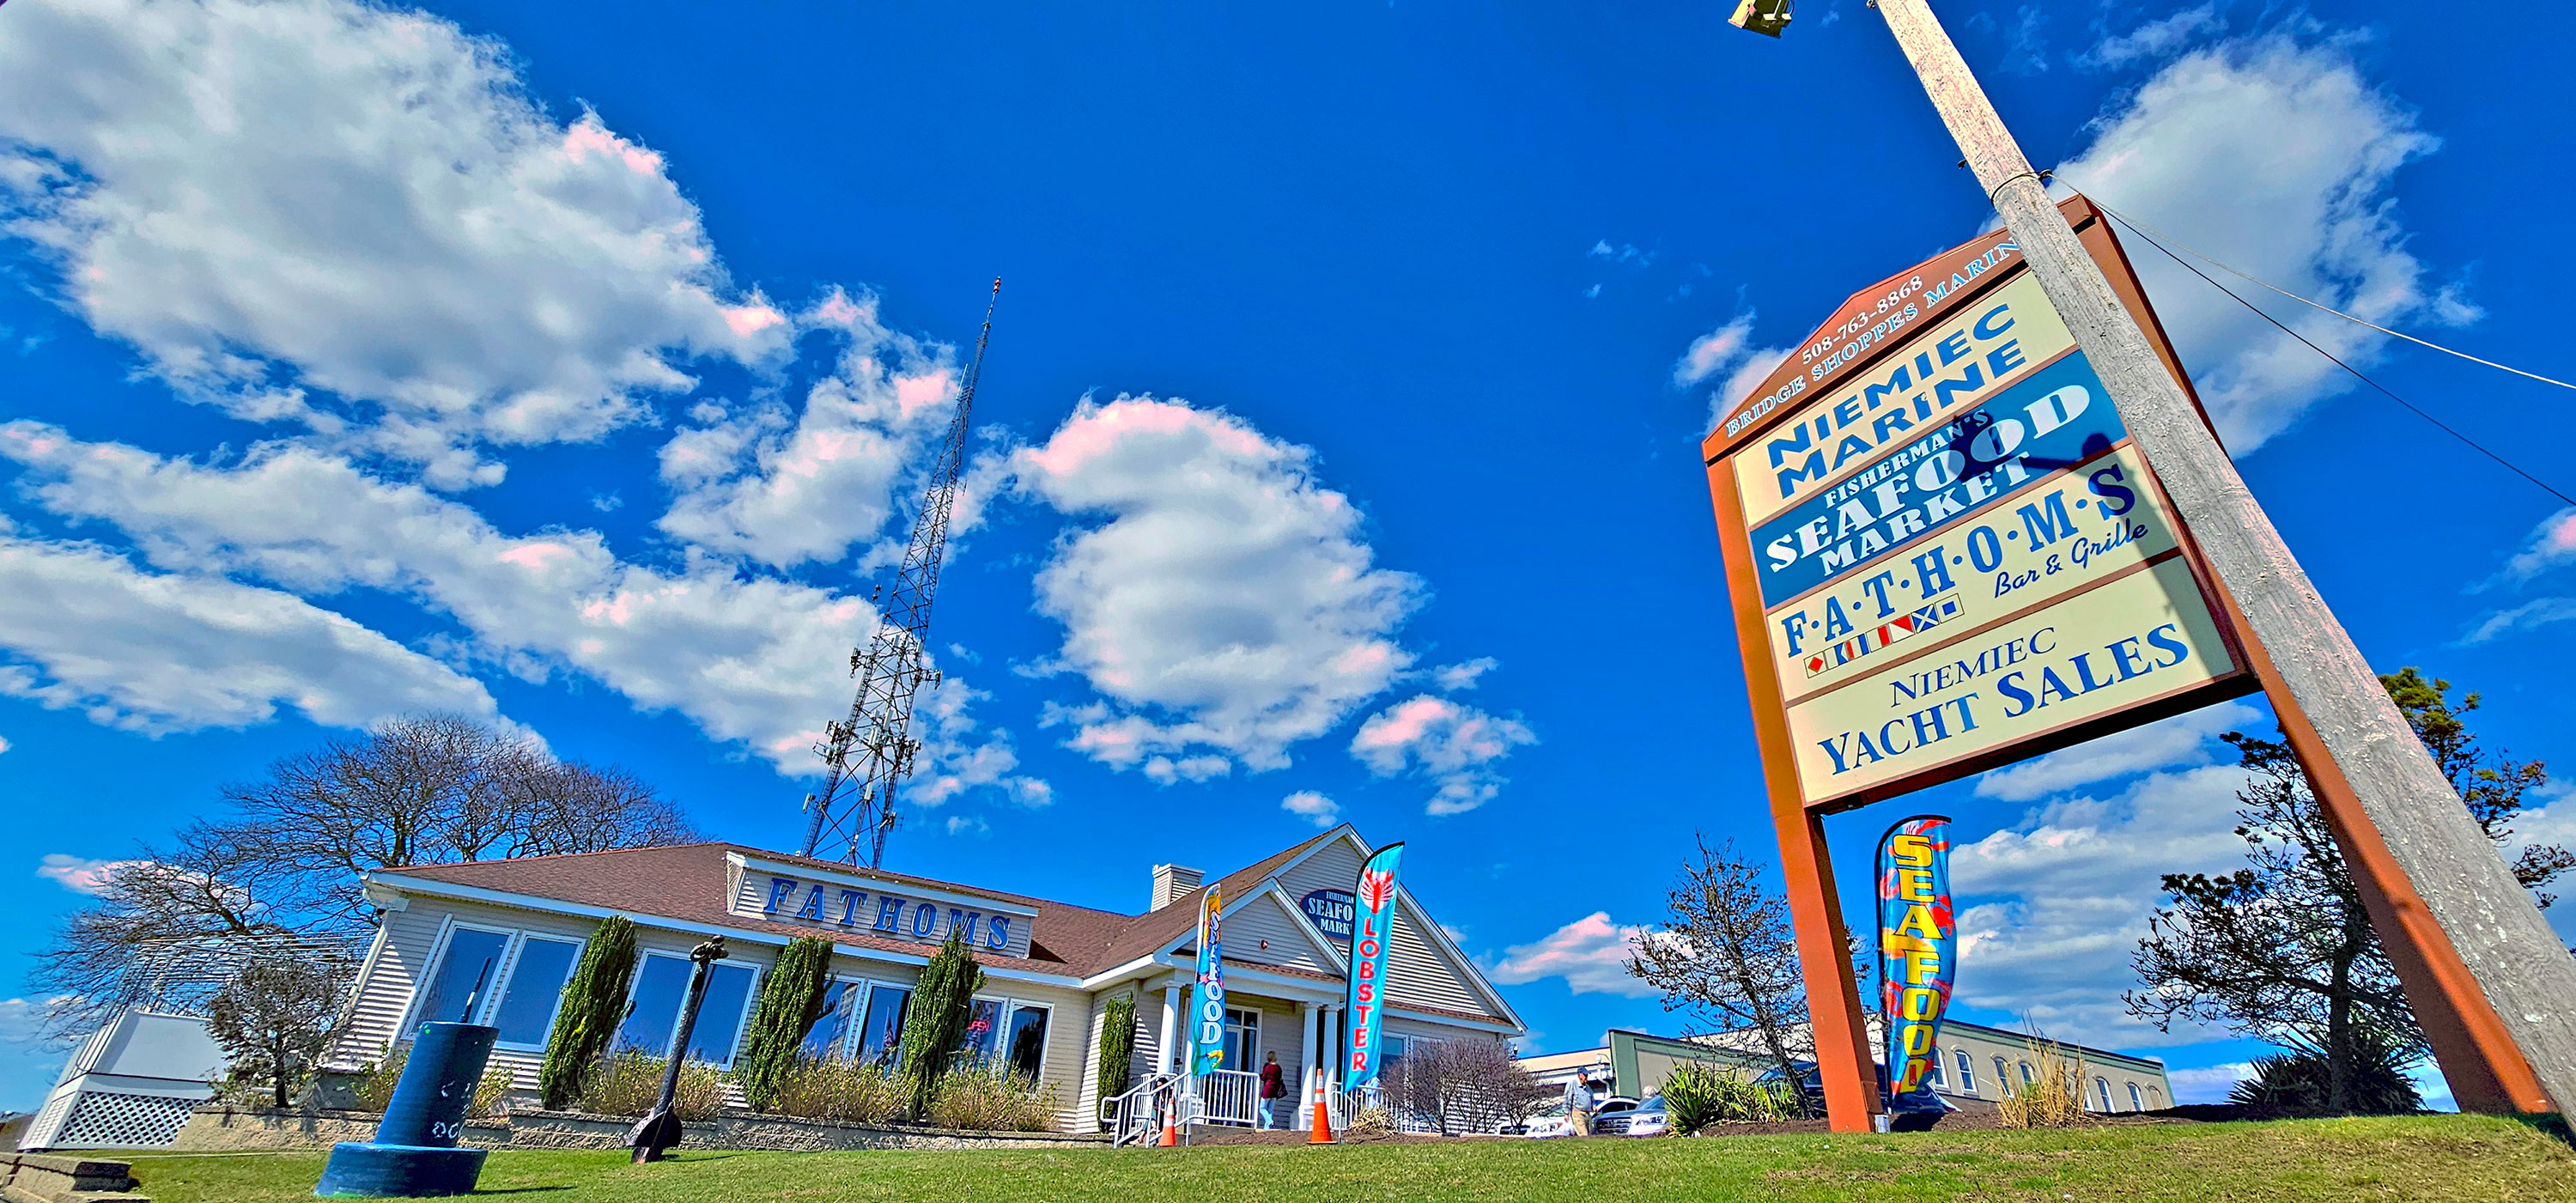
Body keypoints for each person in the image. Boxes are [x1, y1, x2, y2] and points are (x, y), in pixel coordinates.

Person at [1257, 1052, 1286, 1130]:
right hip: (1275, 1090)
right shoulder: (1278, 1068)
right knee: (1270, 1110)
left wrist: (1260, 1075)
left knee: (1262, 1108)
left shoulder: (1268, 1067)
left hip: (1268, 1090)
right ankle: (1267, 1128)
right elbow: (1279, 1078)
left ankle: (1270, 1122)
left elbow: (1264, 1077)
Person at [1564, 1073, 1597, 1137]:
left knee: (1591, 1134)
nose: (1586, 1078)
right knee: (1583, 1134)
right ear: (1580, 1075)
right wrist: (1566, 1113)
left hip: (1587, 1114)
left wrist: (1594, 1107)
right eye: (1585, 1075)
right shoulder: (1572, 1084)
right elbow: (1567, 1099)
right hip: (1578, 1113)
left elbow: (1592, 1100)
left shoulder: (1588, 1088)